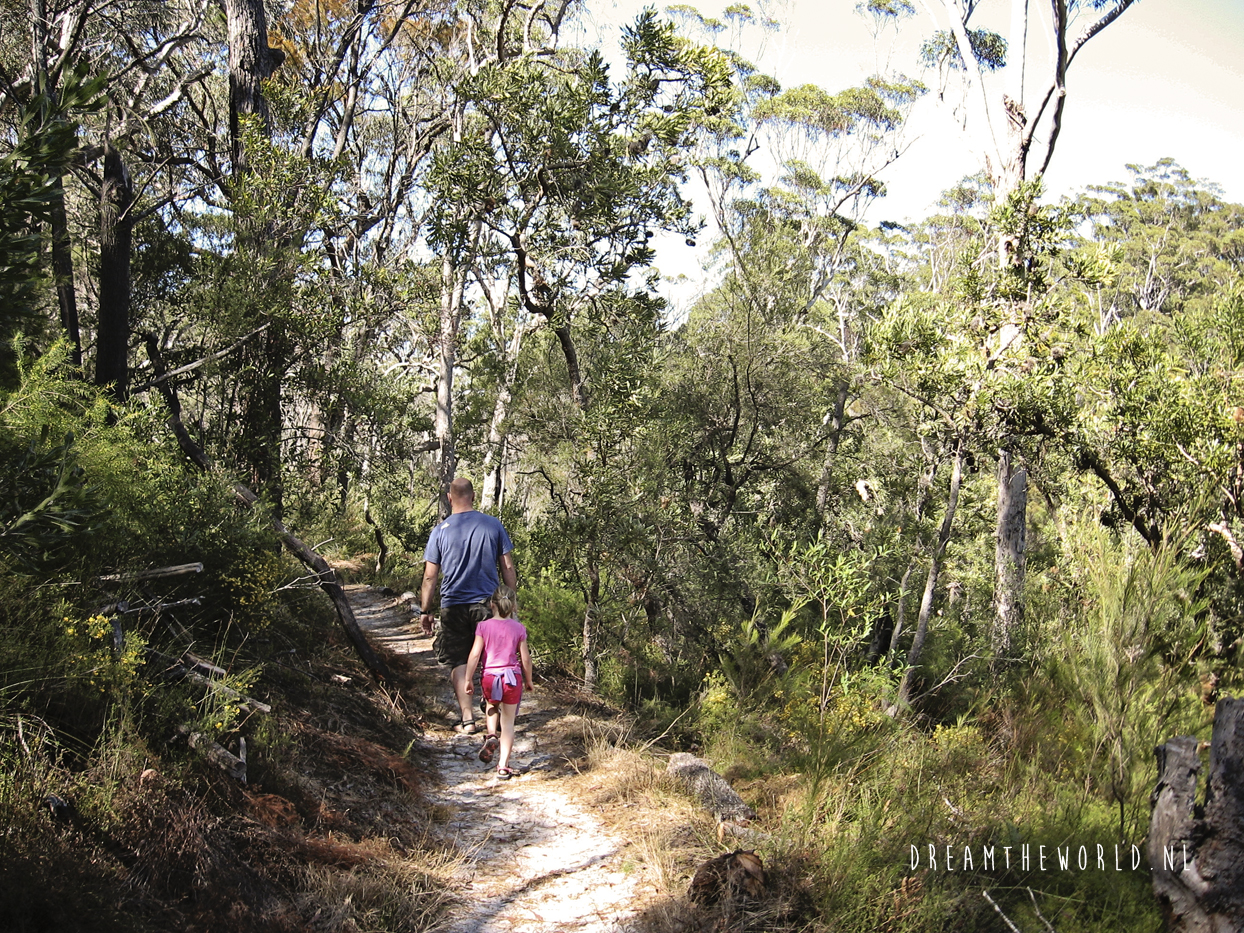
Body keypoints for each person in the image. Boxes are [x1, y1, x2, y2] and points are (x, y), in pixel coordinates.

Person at [419, 477, 517, 734]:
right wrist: (510, 604)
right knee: (490, 658)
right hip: (488, 605)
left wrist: (425, 611)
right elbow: (507, 567)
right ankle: (491, 717)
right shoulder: (493, 525)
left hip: (453, 605)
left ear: (450, 499)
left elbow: (430, 576)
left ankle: (467, 719)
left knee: (459, 660)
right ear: (472, 496)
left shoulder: (440, 531)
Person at [464, 585, 533, 778]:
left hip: (490, 676)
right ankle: (503, 766)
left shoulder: (483, 626)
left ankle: (492, 734)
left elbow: (475, 653)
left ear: (491, 604)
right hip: (511, 677)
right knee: (509, 722)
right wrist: (529, 680)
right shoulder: (519, 628)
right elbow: (525, 658)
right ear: (513, 606)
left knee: (491, 705)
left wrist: (468, 679)